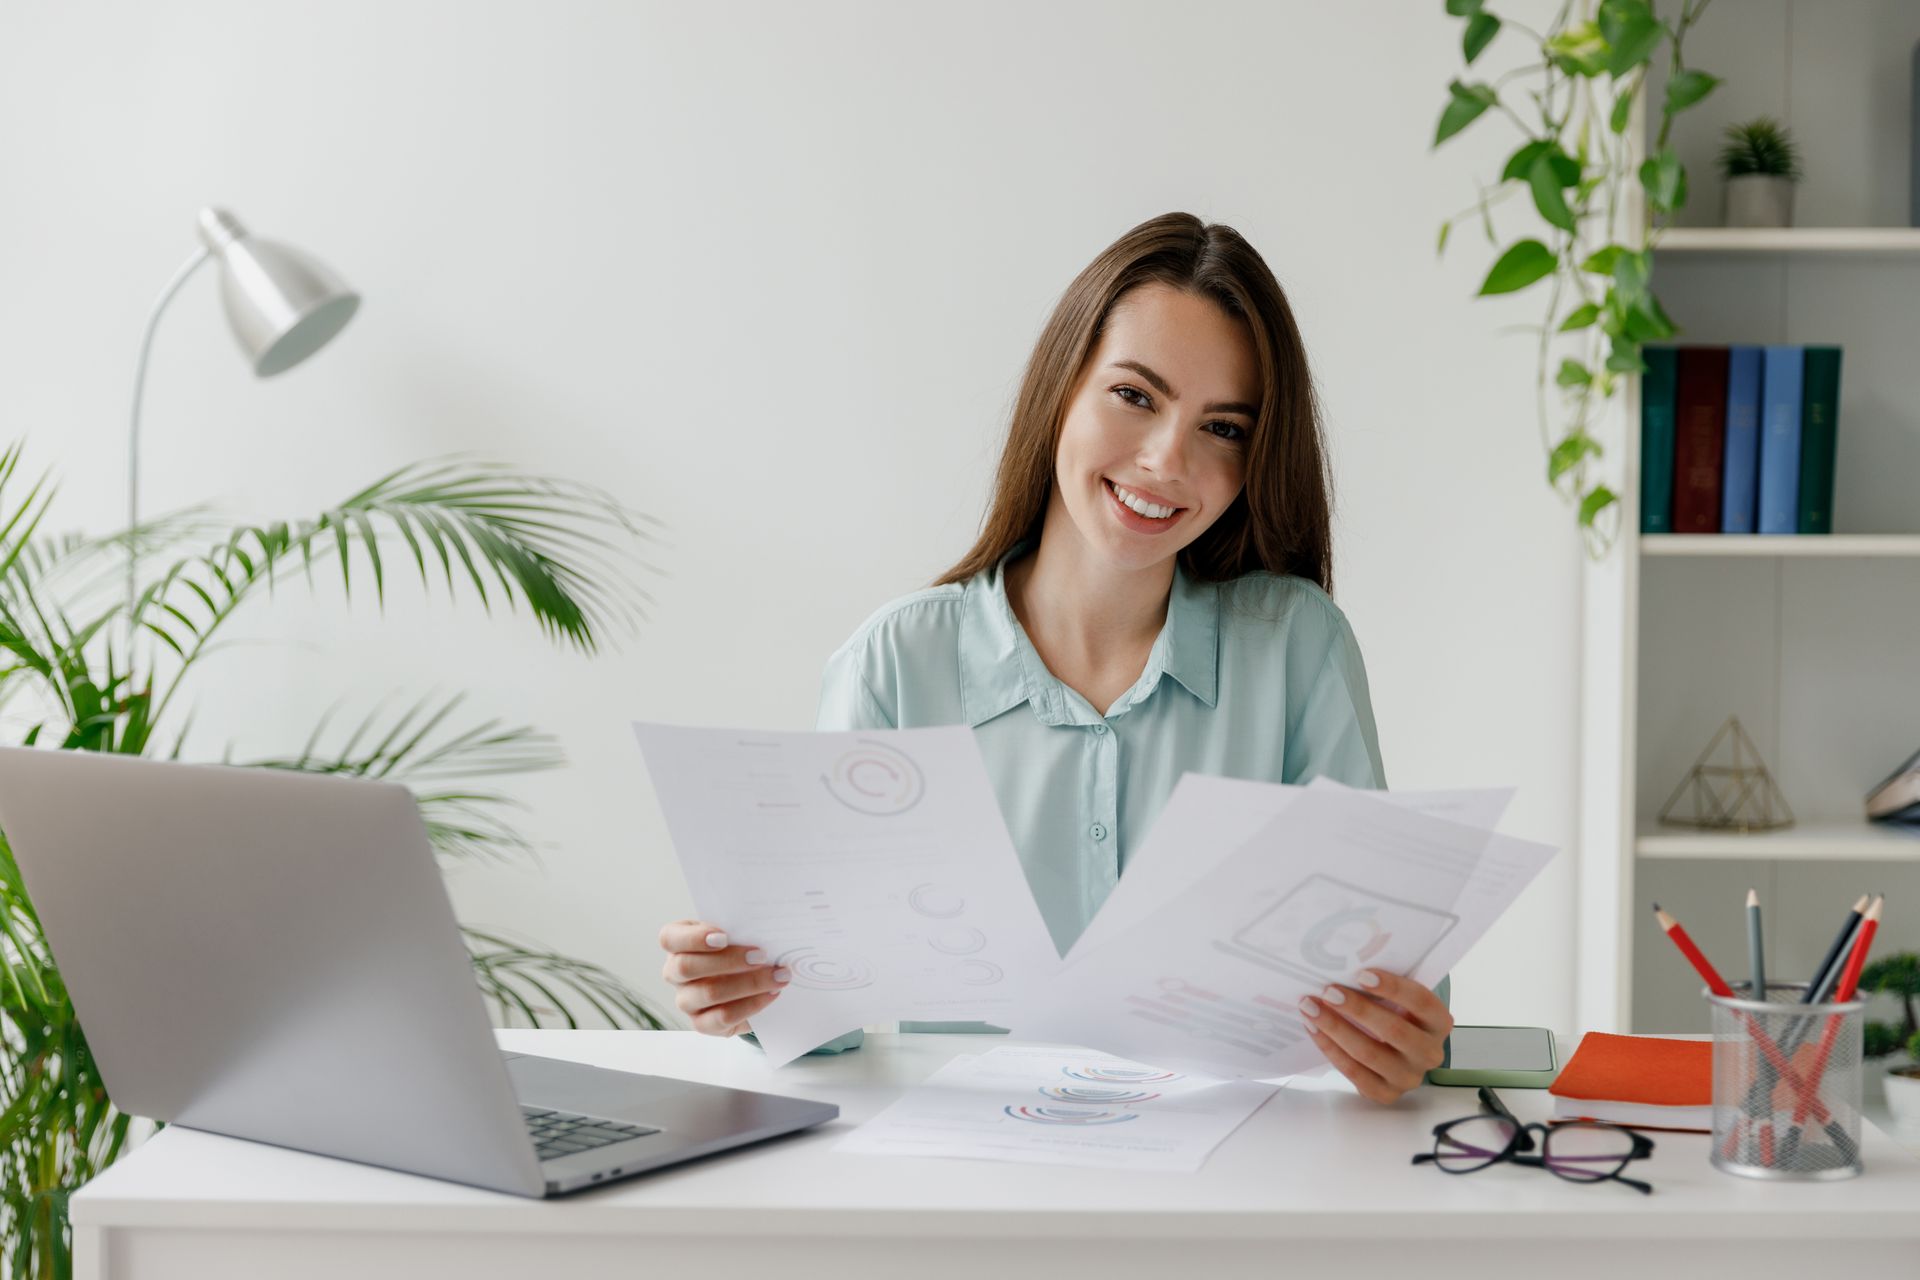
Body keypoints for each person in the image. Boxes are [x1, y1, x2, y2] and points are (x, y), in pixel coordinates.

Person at [657, 211, 1451, 1104]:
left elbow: (1392, 982)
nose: (1166, 461)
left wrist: (1399, 1039)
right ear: (1062, 390)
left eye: (1222, 428)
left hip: (1234, 1192)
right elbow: (825, 1022)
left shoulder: (1297, 649)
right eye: (1136, 396)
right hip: (974, 1198)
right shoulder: (894, 664)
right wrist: (751, 995)